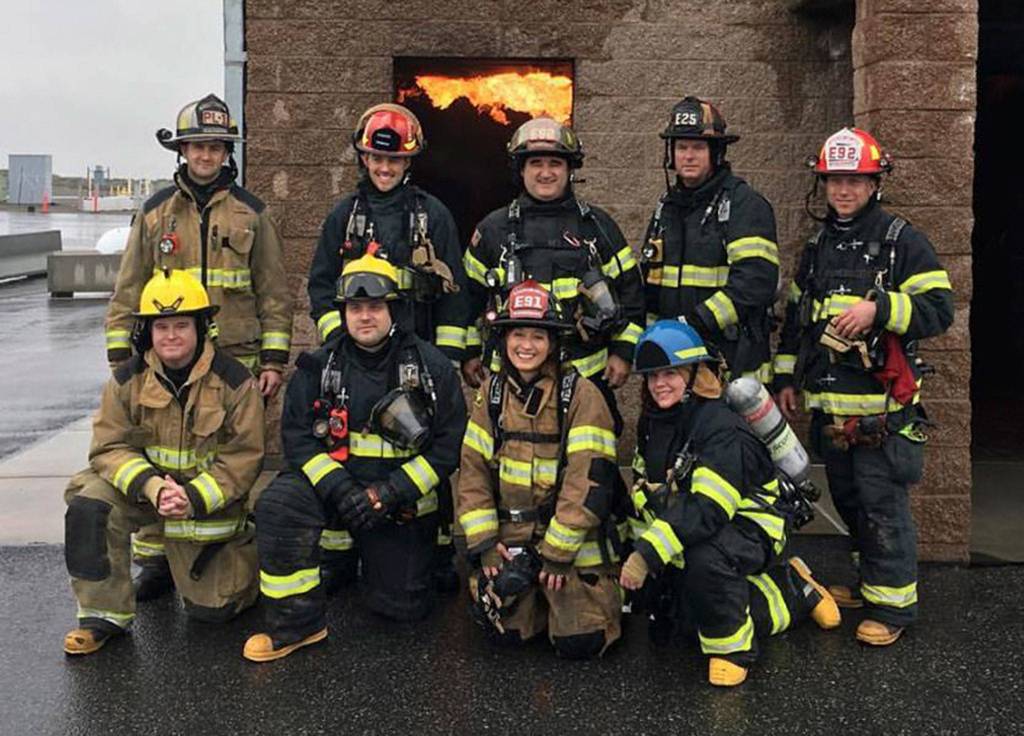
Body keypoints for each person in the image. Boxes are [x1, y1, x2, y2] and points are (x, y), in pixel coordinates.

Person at [104, 93, 292, 600]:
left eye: (215, 147)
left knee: (225, 457)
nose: (206, 156)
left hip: (235, 364)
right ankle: (156, 559)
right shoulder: (154, 213)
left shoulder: (253, 214)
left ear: (226, 152)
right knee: (159, 450)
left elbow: (274, 292)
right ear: (182, 152)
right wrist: (122, 360)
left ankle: (222, 551)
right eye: (197, 147)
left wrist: (273, 360)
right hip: (162, 359)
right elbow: (128, 288)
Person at [773, 128, 954, 646]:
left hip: (881, 415)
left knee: (882, 509)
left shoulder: (902, 241)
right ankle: (867, 580)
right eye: (836, 181)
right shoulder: (817, 247)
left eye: (856, 180)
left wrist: (882, 309)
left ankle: (893, 607)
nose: (845, 191)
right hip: (831, 411)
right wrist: (786, 377)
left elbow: (938, 309)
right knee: (850, 502)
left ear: (875, 182)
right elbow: (796, 321)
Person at [243, 254, 466, 662]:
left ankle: (395, 560)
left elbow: (447, 447)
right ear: (344, 312)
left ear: (393, 309)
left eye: (375, 307)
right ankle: (296, 625)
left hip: (396, 502)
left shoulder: (430, 368)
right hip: (336, 496)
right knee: (279, 504)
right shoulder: (317, 367)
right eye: (356, 308)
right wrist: (340, 488)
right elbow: (297, 439)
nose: (365, 317)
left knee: (401, 608)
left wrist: (390, 492)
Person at [618, 320, 841, 686]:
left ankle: (735, 647)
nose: (660, 384)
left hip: (754, 523)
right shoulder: (656, 422)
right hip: (703, 522)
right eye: (652, 375)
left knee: (704, 562)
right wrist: (637, 548)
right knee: (684, 619)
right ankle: (788, 584)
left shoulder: (721, 427)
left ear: (695, 374)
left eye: (670, 373)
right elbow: (649, 492)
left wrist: (646, 555)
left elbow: (709, 507)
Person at [306, 102, 469, 591]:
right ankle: (338, 554)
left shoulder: (432, 216)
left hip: (417, 359)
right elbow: (320, 286)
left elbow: (454, 295)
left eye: (394, 161)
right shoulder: (344, 217)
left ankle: (437, 550)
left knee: (421, 448)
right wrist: (338, 341)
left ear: (408, 163)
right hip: (356, 358)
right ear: (362, 159)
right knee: (346, 446)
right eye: (376, 160)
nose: (383, 168)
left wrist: (447, 363)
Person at [63, 269, 264, 655]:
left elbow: (244, 458)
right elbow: (108, 447)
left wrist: (191, 496)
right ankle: (100, 618)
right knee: (89, 503)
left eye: (181, 325)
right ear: (147, 332)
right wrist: (153, 487)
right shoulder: (127, 381)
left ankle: (237, 560)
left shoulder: (236, 382)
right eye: (161, 327)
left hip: (204, 505)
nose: (171, 335)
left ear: (201, 328)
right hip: (146, 494)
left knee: (215, 612)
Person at [457, 280, 624, 659]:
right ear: (504, 339)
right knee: (507, 638)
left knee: (580, 643)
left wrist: (556, 554)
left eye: (537, 335)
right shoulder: (492, 396)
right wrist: (485, 546)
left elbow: (589, 480)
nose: (526, 345)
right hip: (511, 538)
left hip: (569, 541)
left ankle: (594, 598)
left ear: (553, 343)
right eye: (518, 334)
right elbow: (473, 473)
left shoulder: (581, 395)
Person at [461, 116, 645, 434]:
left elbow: (632, 294)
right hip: (510, 378)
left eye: (555, 163)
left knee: (591, 463)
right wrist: (467, 354)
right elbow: (466, 299)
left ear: (570, 169)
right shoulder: (493, 229)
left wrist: (624, 352)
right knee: (507, 458)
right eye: (536, 163)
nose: (546, 173)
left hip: (585, 376)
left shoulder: (598, 227)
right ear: (521, 169)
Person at [640, 96, 779, 382]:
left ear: (716, 152)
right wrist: (652, 338)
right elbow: (651, 281)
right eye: (681, 147)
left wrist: (695, 323)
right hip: (673, 360)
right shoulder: (666, 208)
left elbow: (755, 282)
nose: (688, 156)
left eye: (698, 147)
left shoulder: (744, 205)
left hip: (730, 360)